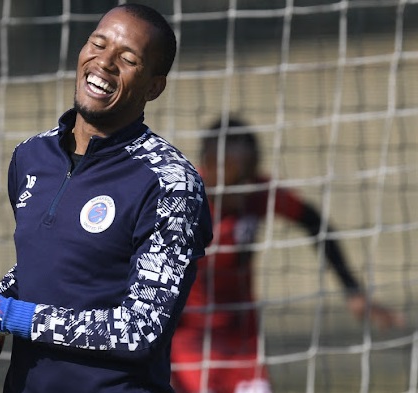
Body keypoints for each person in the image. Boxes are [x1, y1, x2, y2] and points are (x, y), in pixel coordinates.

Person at [0, 4, 213, 393]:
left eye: (128, 59)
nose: (104, 63)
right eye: (98, 44)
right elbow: (53, 268)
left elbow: (141, 330)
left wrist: (6, 313)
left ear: (154, 86)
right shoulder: (30, 156)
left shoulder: (170, 184)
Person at [170, 117, 405, 393]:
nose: (242, 189)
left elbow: (313, 221)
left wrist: (353, 290)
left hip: (242, 339)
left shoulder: (258, 192)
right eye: (234, 177)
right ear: (210, 167)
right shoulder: (183, 200)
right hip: (190, 339)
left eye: (248, 175)